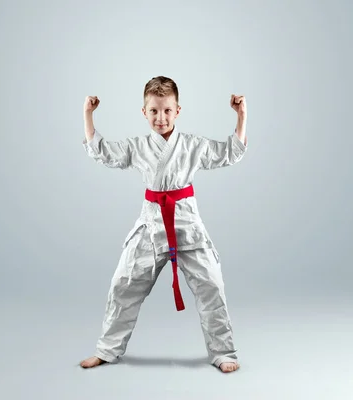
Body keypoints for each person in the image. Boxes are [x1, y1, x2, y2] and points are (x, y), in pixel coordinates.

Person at [79, 76, 247, 373]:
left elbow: (229, 153)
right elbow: (104, 152)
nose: (161, 117)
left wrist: (241, 116)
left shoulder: (192, 145)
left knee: (212, 285)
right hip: (151, 225)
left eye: (167, 110)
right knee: (123, 284)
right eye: (154, 111)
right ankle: (107, 349)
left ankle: (223, 352)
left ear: (177, 110)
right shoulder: (139, 146)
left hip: (187, 224)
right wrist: (88, 115)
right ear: (144, 112)